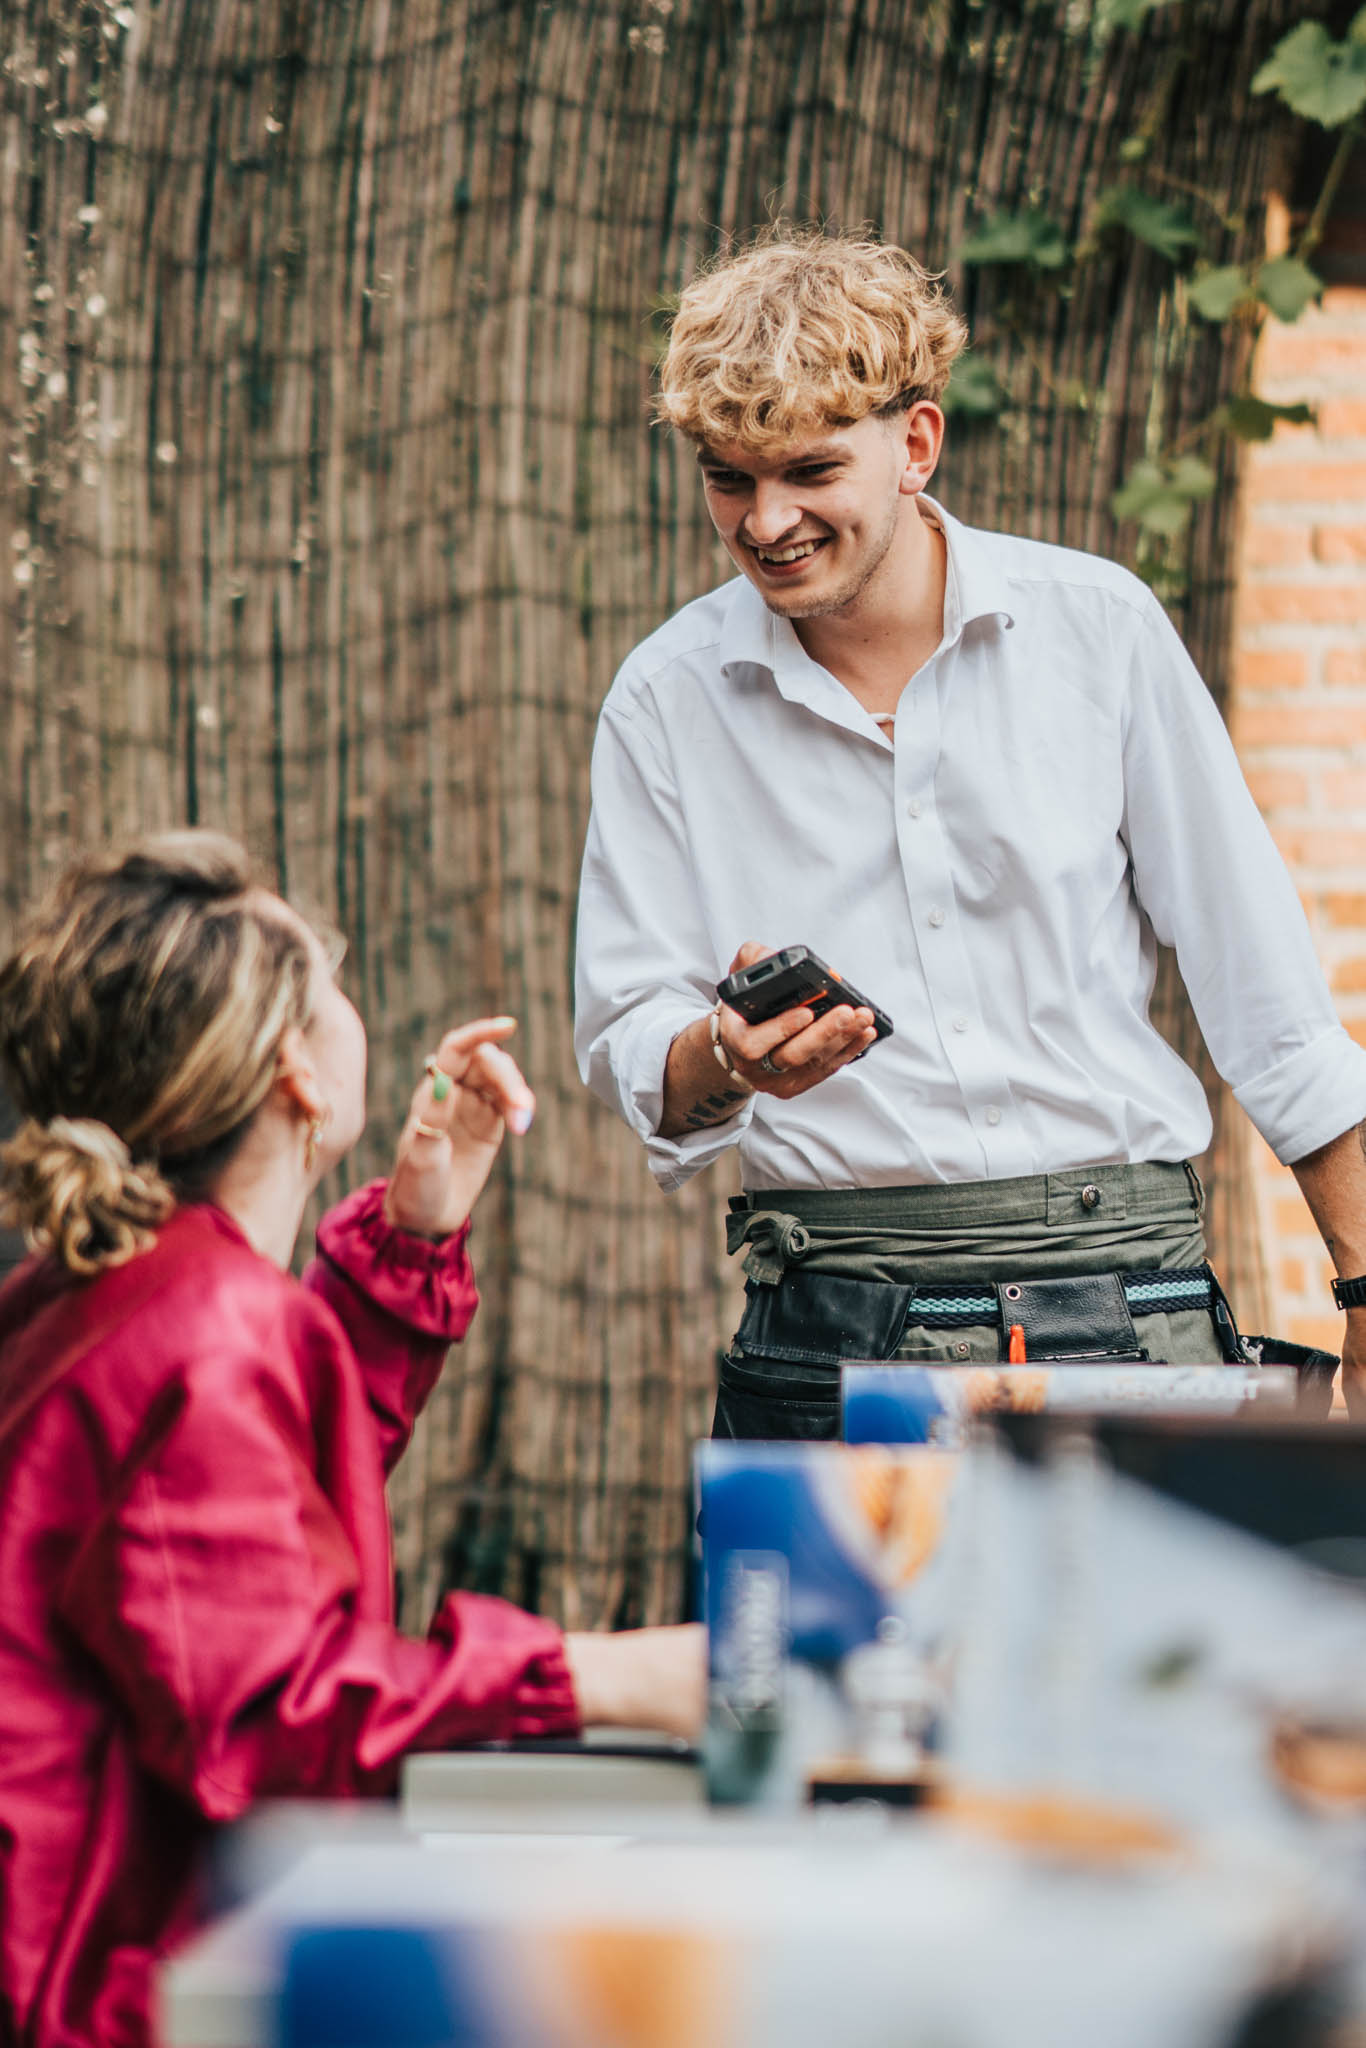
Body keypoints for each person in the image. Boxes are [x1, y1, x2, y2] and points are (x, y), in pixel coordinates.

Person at [573, 227, 1366, 1437]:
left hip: (1131, 1301)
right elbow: (631, 1042)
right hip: (827, 1329)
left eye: (808, 470)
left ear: (915, 444)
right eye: (728, 479)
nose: (765, 520)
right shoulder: (662, 698)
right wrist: (728, 1058)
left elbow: (1274, 1012)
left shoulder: (1098, 630)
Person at [0, 832, 702, 2048]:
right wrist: (607, 1675)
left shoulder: (92, 1289)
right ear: (297, 1072)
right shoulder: (214, 1324)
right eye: (326, 971)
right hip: (105, 1992)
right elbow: (274, 1716)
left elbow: (225, 1551)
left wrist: (409, 1240)